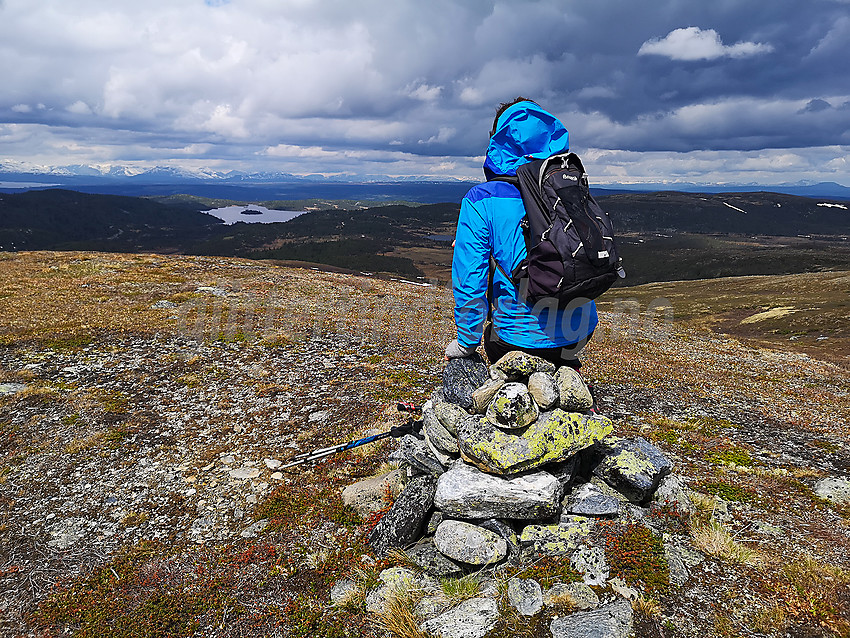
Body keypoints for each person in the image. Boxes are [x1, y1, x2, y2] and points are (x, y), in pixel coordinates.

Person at [445, 97, 598, 369]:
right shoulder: (569, 186)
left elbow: (470, 279)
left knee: (495, 339)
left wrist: (466, 343)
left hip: (515, 339)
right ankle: (567, 373)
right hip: (581, 330)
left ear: (496, 139)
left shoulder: (481, 199)